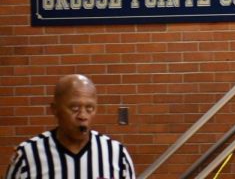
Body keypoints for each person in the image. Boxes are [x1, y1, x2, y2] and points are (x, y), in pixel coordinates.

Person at [4, 74, 136, 179]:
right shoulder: (28, 155)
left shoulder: (116, 154)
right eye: (74, 108)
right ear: (55, 109)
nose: (83, 116)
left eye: (89, 108)